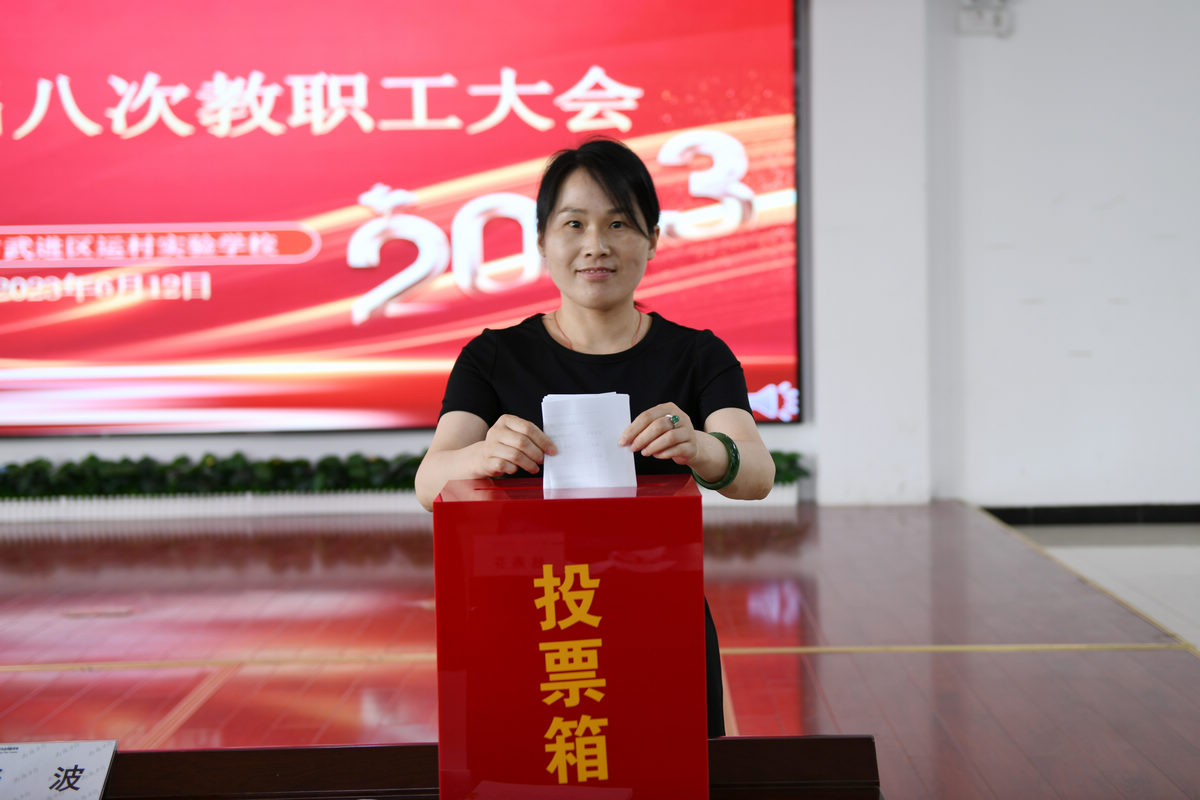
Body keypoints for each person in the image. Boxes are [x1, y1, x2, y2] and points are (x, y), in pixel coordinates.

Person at [415, 137, 774, 737]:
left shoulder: (698, 355)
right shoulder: (493, 357)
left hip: (660, 615)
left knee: (672, 766)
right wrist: (481, 455)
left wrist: (701, 447)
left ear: (652, 239)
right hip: (530, 619)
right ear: (541, 240)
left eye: (618, 224)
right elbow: (429, 483)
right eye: (574, 224)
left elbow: (756, 474)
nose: (595, 246)